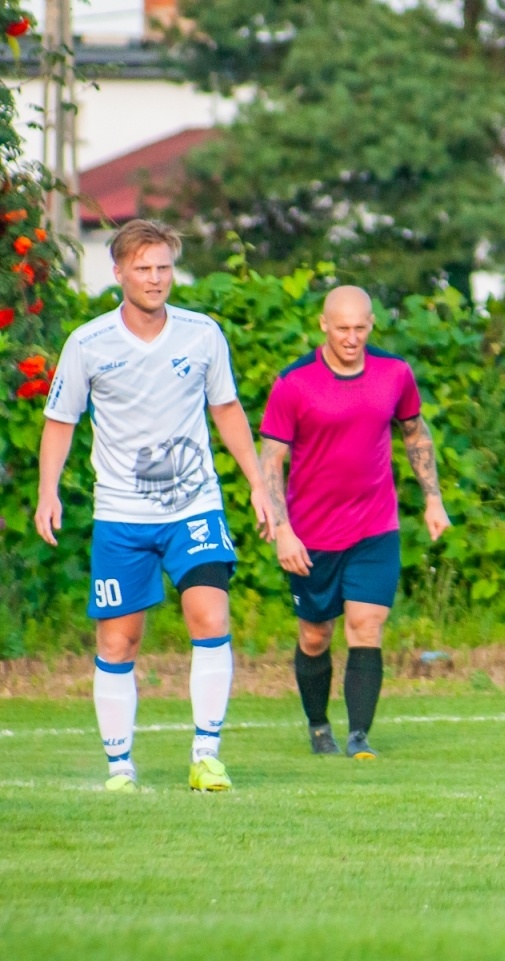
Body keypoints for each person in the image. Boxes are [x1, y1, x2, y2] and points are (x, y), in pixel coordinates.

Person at [34, 219, 272, 792]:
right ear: (118, 273)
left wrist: (260, 483)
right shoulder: (88, 343)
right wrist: (49, 492)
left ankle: (206, 756)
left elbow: (228, 410)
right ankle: (121, 766)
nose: (155, 278)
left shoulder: (202, 334)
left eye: (163, 266)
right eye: (142, 268)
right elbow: (61, 420)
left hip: (195, 505)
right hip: (121, 514)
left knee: (210, 618)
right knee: (120, 641)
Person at [258, 286, 450, 758]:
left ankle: (359, 736)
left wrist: (433, 499)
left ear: (371, 325)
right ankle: (319, 726)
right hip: (310, 534)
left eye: (360, 328)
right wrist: (282, 528)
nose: (351, 337)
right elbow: (271, 460)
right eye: (342, 328)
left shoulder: (394, 373)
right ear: (324, 325)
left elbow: (414, 431)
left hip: (374, 526)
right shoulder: (294, 382)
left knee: (366, 626)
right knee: (315, 635)